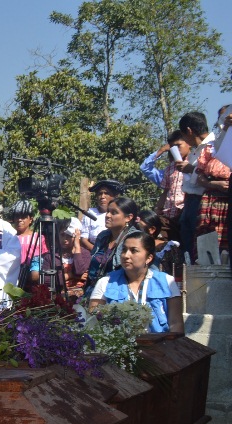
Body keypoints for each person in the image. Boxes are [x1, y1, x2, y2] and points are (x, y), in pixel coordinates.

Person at [89, 231, 184, 334]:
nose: (126, 255)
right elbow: (94, 323)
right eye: (124, 250)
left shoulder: (167, 282)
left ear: (149, 258)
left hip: (159, 342)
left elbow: (176, 323)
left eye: (133, 250)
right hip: (119, 343)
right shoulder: (105, 282)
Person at [173, 111, 215, 264]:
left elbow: (213, 174)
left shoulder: (213, 146)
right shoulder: (197, 149)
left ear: (189, 131)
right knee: (188, 243)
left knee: (200, 244)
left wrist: (191, 169)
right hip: (190, 201)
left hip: (203, 201)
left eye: (183, 135)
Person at [84, 196, 140, 298]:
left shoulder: (135, 239)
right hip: (93, 291)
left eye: (114, 213)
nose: (108, 215)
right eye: (108, 211)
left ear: (128, 217)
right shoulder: (103, 236)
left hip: (118, 294)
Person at [80, 179, 123, 251]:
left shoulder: (120, 214)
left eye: (106, 193)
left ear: (115, 196)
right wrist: (98, 252)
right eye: (100, 194)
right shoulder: (90, 213)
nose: (102, 196)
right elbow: (84, 240)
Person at [137, 209, 180, 277]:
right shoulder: (128, 247)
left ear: (152, 229)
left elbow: (177, 273)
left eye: (138, 227)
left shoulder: (168, 248)